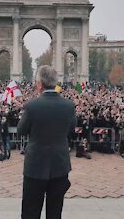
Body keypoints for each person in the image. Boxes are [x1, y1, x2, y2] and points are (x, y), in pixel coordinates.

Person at [17, 65, 77, 219]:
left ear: (39, 84)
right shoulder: (69, 106)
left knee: (31, 211)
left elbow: (21, 130)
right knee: (55, 212)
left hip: (35, 165)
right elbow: (72, 129)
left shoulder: (31, 106)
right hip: (60, 164)